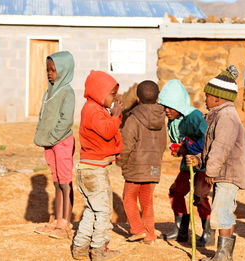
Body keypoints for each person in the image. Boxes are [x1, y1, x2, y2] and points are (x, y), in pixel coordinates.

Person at [186, 65, 245, 260]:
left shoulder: (226, 116)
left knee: (221, 211)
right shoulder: (221, 115)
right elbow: (212, 148)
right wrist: (198, 160)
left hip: (228, 172)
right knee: (225, 212)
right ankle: (224, 255)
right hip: (226, 170)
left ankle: (222, 256)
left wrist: (210, 172)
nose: (205, 99)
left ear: (217, 98)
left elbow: (221, 147)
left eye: (207, 95)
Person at [71, 70, 124, 261]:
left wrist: (112, 113)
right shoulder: (93, 111)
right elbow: (108, 131)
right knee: (103, 212)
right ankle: (98, 249)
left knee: (92, 210)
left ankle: (80, 247)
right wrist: (116, 116)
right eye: (112, 94)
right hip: (94, 172)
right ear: (99, 92)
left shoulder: (94, 109)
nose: (114, 98)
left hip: (89, 170)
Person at [158, 79, 214, 246]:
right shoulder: (172, 120)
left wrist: (189, 149)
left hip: (203, 164)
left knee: (200, 196)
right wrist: (176, 148)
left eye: (170, 107)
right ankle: (180, 230)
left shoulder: (194, 117)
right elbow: (176, 141)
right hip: (187, 165)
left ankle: (208, 233)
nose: (166, 111)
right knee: (176, 192)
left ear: (179, 105)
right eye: (164, 107)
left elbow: (207, 140)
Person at [116, 80, 167, 245]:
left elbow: (126, 145)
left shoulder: (133, 118)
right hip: (153, 167)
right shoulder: (161, 119)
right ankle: (150, 234)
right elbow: (163, 144)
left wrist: (122, 163)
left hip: (135, 166)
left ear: (137, 99)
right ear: (158, 99)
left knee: (128, 197)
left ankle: (138, 230)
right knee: (147, 200)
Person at [33, 51, 75, 239]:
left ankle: (65, 224)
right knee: (57, 181)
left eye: (54, 70)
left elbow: (66, 120)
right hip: (49, 143)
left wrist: (53, 137)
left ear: (64, 70)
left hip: (62, 142)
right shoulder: (48, 92)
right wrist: (41, 136)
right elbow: (43, 116)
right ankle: (58, 220)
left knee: (66, 182)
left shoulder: (67, 92)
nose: (50, 73)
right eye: (48, 70)